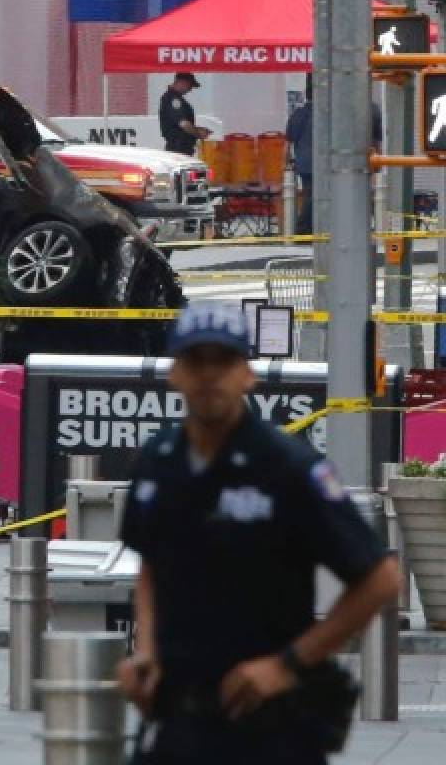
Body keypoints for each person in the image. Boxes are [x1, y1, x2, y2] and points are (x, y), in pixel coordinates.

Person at [117, 303, 401, 765]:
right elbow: (152, 560)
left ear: (247, 374)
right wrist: (146, 650)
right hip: (178, 724)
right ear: (175, 374)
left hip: (267, 729)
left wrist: (288, 664)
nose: (209, 375)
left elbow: (380, 578)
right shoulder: (158, 462)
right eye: (195, 361)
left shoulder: (287, 468)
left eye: (223, 361)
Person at [285, 82, 314, 234]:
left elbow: (288, 143)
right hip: (319, 162)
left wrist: (286, 163)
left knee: (309, 192)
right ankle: (303, 227)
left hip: (302, 162)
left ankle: (306, 227)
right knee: (313, 194)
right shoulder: (325, 113)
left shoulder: (297, 114)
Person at [158, 72, 210, 156]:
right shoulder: (173, 99)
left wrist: (197, 129)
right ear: (182, 82)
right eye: (190, 86)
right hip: (178, 149)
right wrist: (198, 133)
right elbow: (183, 124)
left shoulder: (173, 98)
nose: (190, 89)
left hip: (180, 148)